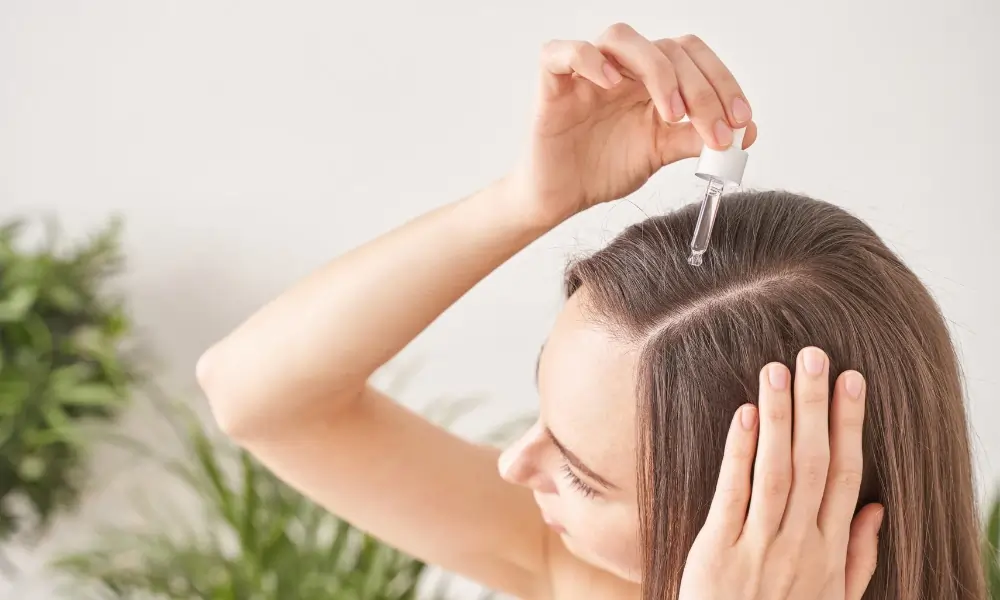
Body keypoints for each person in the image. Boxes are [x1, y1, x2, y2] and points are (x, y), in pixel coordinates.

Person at [195, 23, 986, 600]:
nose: (514, 464)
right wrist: (525, 201)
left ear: (765, 507)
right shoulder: (584, 573)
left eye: (580, 475)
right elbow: (255, 396)